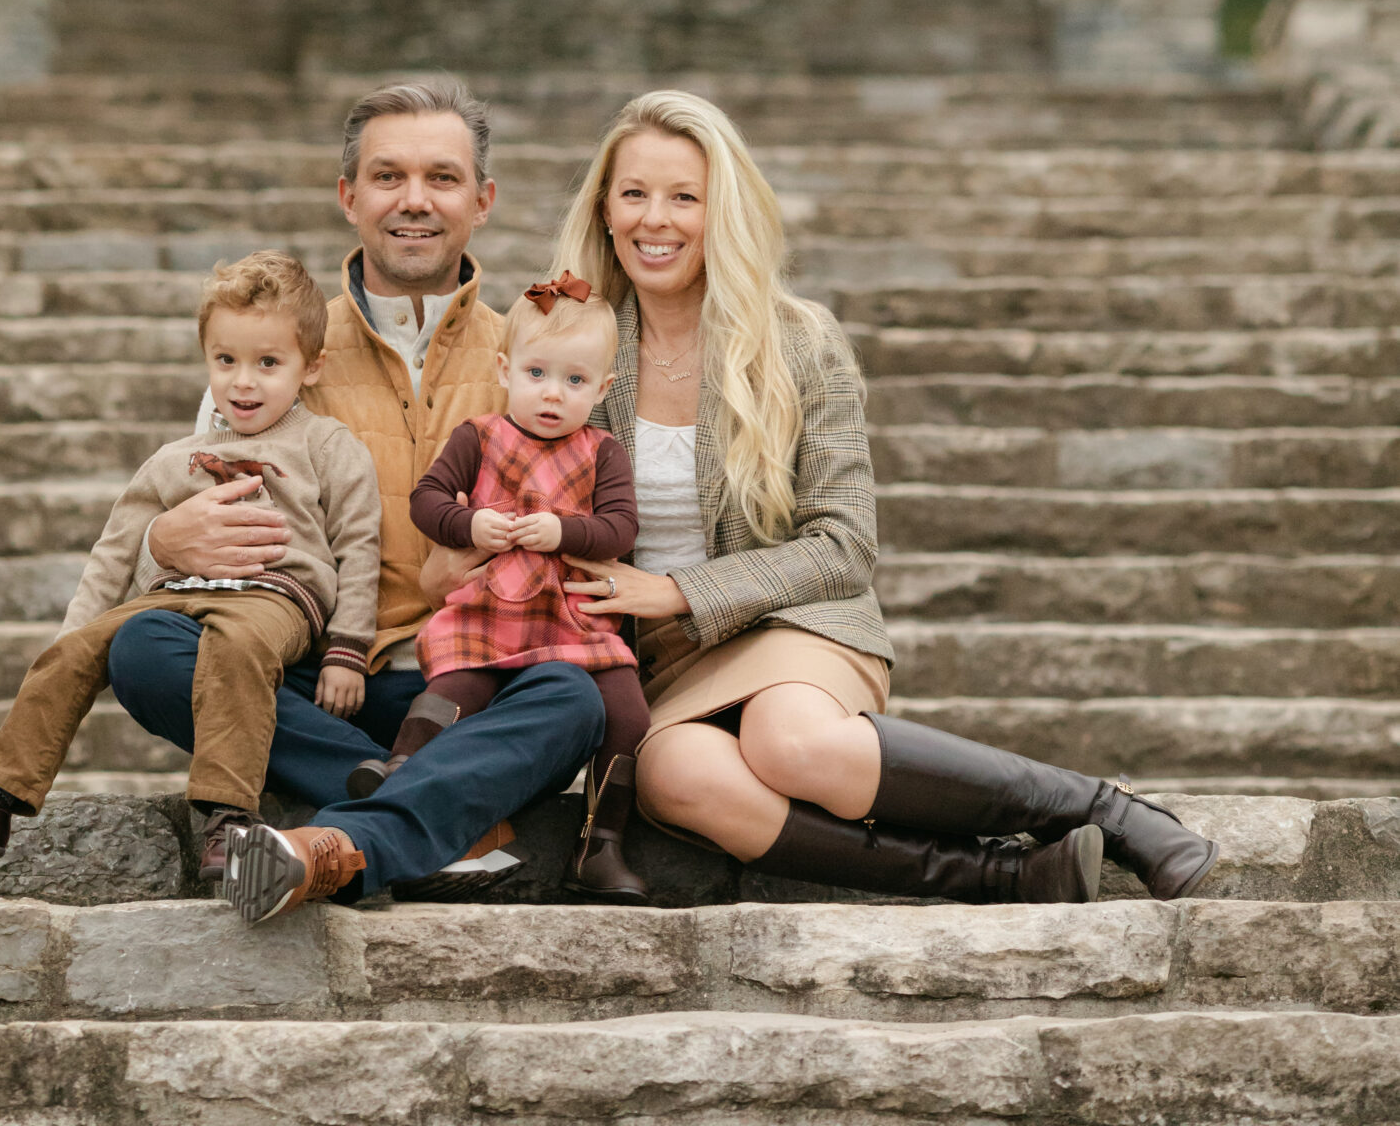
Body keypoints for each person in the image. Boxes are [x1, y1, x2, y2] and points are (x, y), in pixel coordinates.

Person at [548, 88, 1219, 907]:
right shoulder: (565, 347)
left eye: (684, 196)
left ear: (721, 211)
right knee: (679, 779)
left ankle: (1103, 810)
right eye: (635, 193)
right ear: (605, 209)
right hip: (650, 662)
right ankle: (1003, 876)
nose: (657, 219)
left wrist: (682, 591)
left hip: (793, 625)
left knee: (789, 743)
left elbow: (843, 544)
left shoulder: (797, 340)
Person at [106, 76, 606, 919]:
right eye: (388, 177)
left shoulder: (534, 357)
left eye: (441, 178)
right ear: (348, 196)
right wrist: (164, 542)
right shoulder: (281, 347)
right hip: (305, 677)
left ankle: (345, 834)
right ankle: (440, 819)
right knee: (145, 653)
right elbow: (193, 534)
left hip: (465, 685)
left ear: (481, 201)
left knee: (576, 697)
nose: (414, 201)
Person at [0, 253, 380, 877]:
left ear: (313, 367)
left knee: (235, 649)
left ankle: (230, 821)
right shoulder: (175, 458)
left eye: (268, 363)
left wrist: (347, 649)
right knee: (71, 655)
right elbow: (115, 551)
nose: (243, 382)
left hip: (274, 597)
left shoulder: (328, 445)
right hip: (175, 591)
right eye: (226, 361)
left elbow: (359, 546)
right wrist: (76, 635)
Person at [379, 269, 650, 900]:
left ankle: (600, 842)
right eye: (537, 374)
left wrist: (566, 533)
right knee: (456, 686)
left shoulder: (601, 451)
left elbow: (620, 529)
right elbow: (425, 501)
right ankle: (400, 773)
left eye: (574, 380)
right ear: (505, 369)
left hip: (570, 619)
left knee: (628, 710)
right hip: (488, 608)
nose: (552, 394)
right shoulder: (478, 437)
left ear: (603, 388)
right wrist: (470, 523)